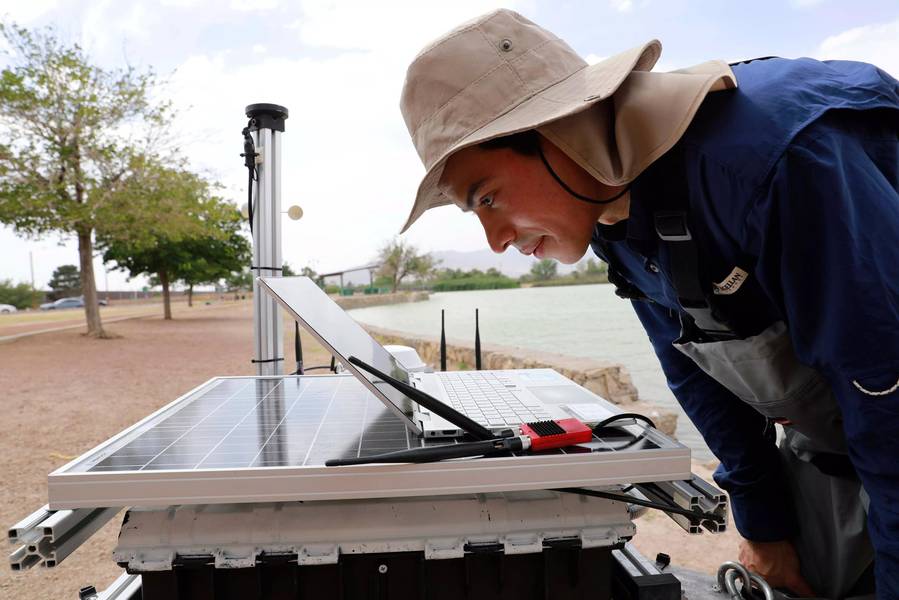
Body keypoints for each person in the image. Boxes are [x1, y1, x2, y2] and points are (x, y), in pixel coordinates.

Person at [397, 9, 899, 598]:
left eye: (486, 198)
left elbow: (886, 398)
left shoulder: (777, 162)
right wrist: (763, 526)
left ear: (556, 132)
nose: (497, 241)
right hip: (840, 439)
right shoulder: (612, 215)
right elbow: (693, 370)